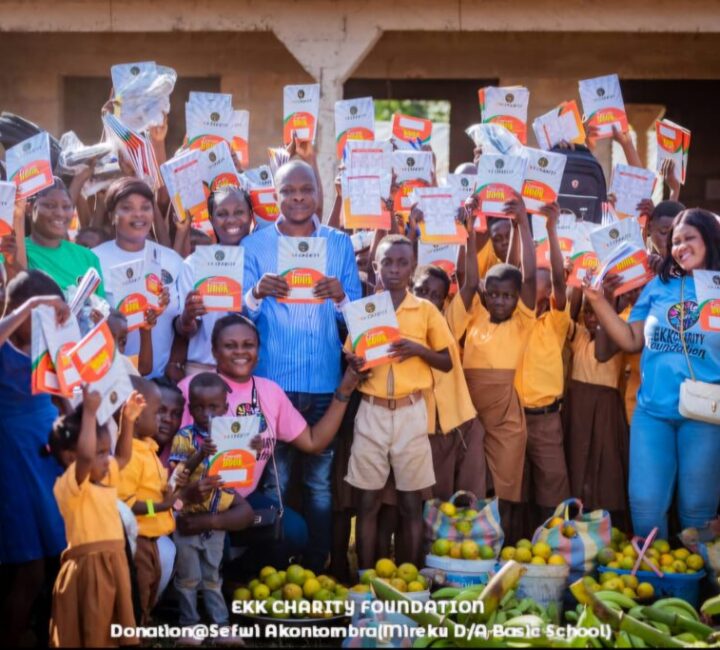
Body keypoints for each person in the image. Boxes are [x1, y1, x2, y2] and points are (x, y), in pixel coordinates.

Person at [242, 159, 361, 572]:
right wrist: (256, 293)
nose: (297, 198)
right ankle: (273, 568)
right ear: (274, 196)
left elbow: (357, 319)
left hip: (325, 382)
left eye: (305, 190)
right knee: (274, 479)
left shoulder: (339, 244)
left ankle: (318, 567)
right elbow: (236, 322)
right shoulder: (254, 246)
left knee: (318, 484)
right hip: (272, 384)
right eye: (287, 191)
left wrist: (341, 296)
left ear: (318, 193)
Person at [177, 314, 361, 576]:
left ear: (258, 351)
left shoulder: (269, 392)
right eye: (230, 346)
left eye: (248, 344)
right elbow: (171, 458)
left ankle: (238, 577)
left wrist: (345, 389)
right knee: (211, 540)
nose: (240, 351)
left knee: (293, 532)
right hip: (199, 498)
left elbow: (313, 442)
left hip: (242, 499)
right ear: (214, 352)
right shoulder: (193, 390)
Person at [582, 208, 720, 539]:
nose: (680, 247)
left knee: (697, 509)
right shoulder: (659, 285)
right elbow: (631, 339)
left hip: (705, 416)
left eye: (689, 239)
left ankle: (696, 586)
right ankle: (653, 579)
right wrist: (599, 301)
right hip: (653, 412)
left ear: (711, 241)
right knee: (644, 505)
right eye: (675, 241)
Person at [345, 235, 454, 568]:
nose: (394, 269)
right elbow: (352, 354)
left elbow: (447, 361)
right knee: (367, 503)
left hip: (410, 412)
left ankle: (411, 579)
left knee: (410, 504)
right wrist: (353, 362)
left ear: (412, 267)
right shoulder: (365, 309)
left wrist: (417, 349)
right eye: (387, 262)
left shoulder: (425, 311)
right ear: (375, 267)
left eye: (402, 262)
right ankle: (365, 579)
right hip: (372, 412)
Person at [447, 193, 536, 540]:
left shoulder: (522, 321)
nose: (501, 300)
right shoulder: (474, 316)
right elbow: (465, 279)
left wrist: (523, 225)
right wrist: (468, 232)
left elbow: (527, 277)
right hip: (471, 415)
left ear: (518, 298)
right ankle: (471, 546)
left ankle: (506, 550)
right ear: (486, 294)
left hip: (506, 419)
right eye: (494, 294)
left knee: (508, 489)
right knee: (472, 487)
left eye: (508, 296)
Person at [0, 270, 69, 647]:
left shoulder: (47, 347)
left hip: (48, 460)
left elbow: (65, 399)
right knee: (27, 566)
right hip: (13, 462)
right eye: (39, 316)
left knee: (56, 556)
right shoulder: (5, 343)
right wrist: (28, 306)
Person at [47, 388, 145, 648]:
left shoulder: (103, 475)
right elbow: (87, 456)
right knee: (94, 630)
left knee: (113, 629)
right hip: (90, 567)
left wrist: (128, 419)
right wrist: (89, 413)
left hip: (115, 562)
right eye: (101, 453)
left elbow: (122, 457)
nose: (107, 459)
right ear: (70, 457)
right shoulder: (71, 485)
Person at [168, 373, 252, 641]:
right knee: (188, 577)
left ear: (226, 406)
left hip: (217, 517)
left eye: (214, 406)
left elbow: (242, 461)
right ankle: (190, 624)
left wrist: (252, 445)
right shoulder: (185, 436)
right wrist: (200, 454)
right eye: (199, 407)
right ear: (190, 409)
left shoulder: (232, 432)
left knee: (214, 575)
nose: (207, 413)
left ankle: (220, 625)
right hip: (188, 517)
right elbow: (177, 475)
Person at [514, 203, 571, 532]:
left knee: (552, 487)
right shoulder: (515, 320)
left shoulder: (555, 322)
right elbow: (519, 269)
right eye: (529, 277)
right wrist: (523, 224)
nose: (532, 282)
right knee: (514, 489)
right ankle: (514, 546)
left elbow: (562, 281)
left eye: (540, 280)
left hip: (547, 419)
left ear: (548, 292)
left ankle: (551, 544)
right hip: (514, 418)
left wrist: (550, 229)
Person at [93, 178, 183, 379]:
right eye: (127, 208)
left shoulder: (172, 261)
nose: (138, 214)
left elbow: (184, 328)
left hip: (161, 383)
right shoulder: (94, 259)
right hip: (109, 379)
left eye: (145, 207)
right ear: (112, 216)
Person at [411, 264, 486, 500]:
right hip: (426, 432)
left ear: (445, 302)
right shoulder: (401, 329)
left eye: (436, 296)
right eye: (421, 291)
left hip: (460, 424)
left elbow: (471, 282)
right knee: (430, 503)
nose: (428, 299)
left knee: (467, 501)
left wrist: (470, 231)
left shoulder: (448, 324)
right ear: (410, 289)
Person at [118, 376, 183, 624]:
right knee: (138, 595)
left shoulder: (149, 448)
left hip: (152, 539)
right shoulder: (132, 454)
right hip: (138, 540)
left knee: (147, 592)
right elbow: (125, 504)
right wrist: (162, 506)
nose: (163, 420)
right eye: (157, 412)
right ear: (134, 414)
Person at [563, 293, 629, 530]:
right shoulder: (578, 335)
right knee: (577, 462)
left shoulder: (616, 333)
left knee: (606, 464)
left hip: (605, 408)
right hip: (577, 407)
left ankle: (605, 525)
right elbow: (566, 315)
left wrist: (605, 304)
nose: (592, 318)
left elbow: (602, 351)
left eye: (596, 312)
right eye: (588, 312)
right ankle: (576, 520)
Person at [177, 187, 254, 375]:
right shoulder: (194, 265)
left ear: (251, 216)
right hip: (205, 372)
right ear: (211, 219)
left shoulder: (264, 260)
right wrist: (188, 316)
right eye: (221, 214)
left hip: (256, 372)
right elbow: (184, 331)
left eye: (239, 212)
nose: (231, 219)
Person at [22, 178, 106, 297]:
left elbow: (103, 308)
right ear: (29, 207)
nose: (60, 213)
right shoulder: (15, 252)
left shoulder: (88, 257)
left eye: (66, 206)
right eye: (50, 205)